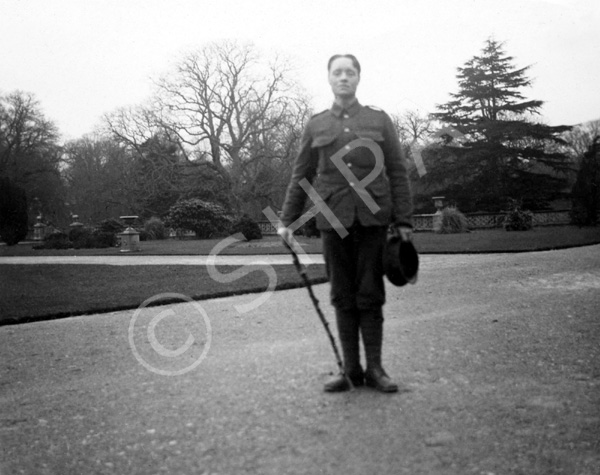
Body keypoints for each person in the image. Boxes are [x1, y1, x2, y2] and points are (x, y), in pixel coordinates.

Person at [278, 54, 414, 393]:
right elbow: (301, 175)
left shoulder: (379, 121)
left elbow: (397, 171)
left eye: (349, 72)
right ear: (329, 78)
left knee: (370, 292)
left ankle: (376, 370)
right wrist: (286, 221)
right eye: (337, 72)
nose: (343, 78)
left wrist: (403, 220)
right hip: (332, 220)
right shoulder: (317, 125)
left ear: (358, 78)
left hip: (372, 220)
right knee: (341, 294)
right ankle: (351, 371)